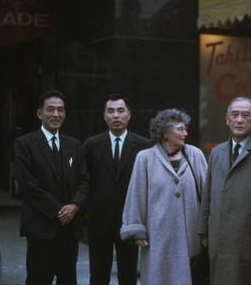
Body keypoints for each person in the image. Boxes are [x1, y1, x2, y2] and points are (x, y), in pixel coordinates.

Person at [120, 108, 207, 285]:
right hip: (158, 237)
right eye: (180, 129)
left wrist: (207, 230)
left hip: (191, 237)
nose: (186, 133)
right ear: (165, 133)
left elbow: (207, 195)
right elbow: (136, 195)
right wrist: (137, 229)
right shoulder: (145, 158)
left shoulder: (195, 155)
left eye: (185, 128)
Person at [15, 90, 88, 285]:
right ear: (40, 113)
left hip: (70, 230)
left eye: (61, 110)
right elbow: (28, 185)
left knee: (68, 280)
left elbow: (84, 181)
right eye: (51, 110)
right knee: (39, 279)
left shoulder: (74, 145)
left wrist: (75, 205)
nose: (56, 114)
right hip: (41, 228)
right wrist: (57, 210)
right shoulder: (25, 144)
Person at [198, 97, 251, 285]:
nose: (239, 120)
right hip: (218, 235)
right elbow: (207, 195)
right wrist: (204, 231)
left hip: (249, 235)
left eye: (246, 115)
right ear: (226, 119)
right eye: (234, 115)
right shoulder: (216, 152)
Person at [82, 94, 151, 285]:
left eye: (121, 111)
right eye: (110, 111)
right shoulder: (92, 144)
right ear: (104, 116)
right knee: (98, 275)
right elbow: (82, 181)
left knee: (128, 275)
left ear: (129, 114)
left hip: (129, 220)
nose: (116, 116)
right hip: (98, 219)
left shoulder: (143, 145)